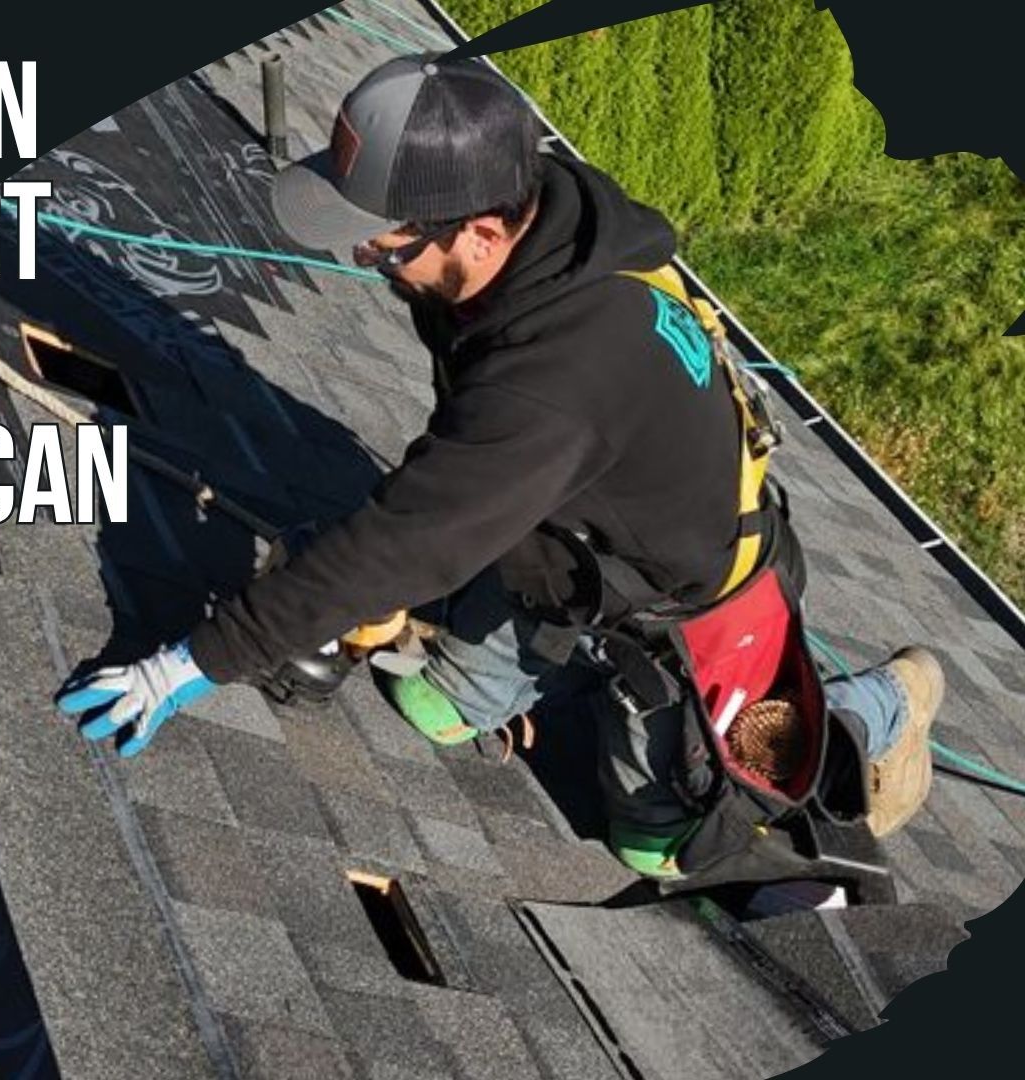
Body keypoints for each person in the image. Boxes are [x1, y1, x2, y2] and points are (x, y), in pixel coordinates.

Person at [54, 53, 943, 877]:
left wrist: (189, 663)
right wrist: (402, 561)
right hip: (555, 532)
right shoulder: (529, 222)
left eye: (382, 244)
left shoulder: (561, 373)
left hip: (688, 605)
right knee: (435, 709)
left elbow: (415, 528)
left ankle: (878, 706)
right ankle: (539, 644)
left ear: (479, 230)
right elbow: (457, 470)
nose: (366, 258)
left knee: (666, 850)